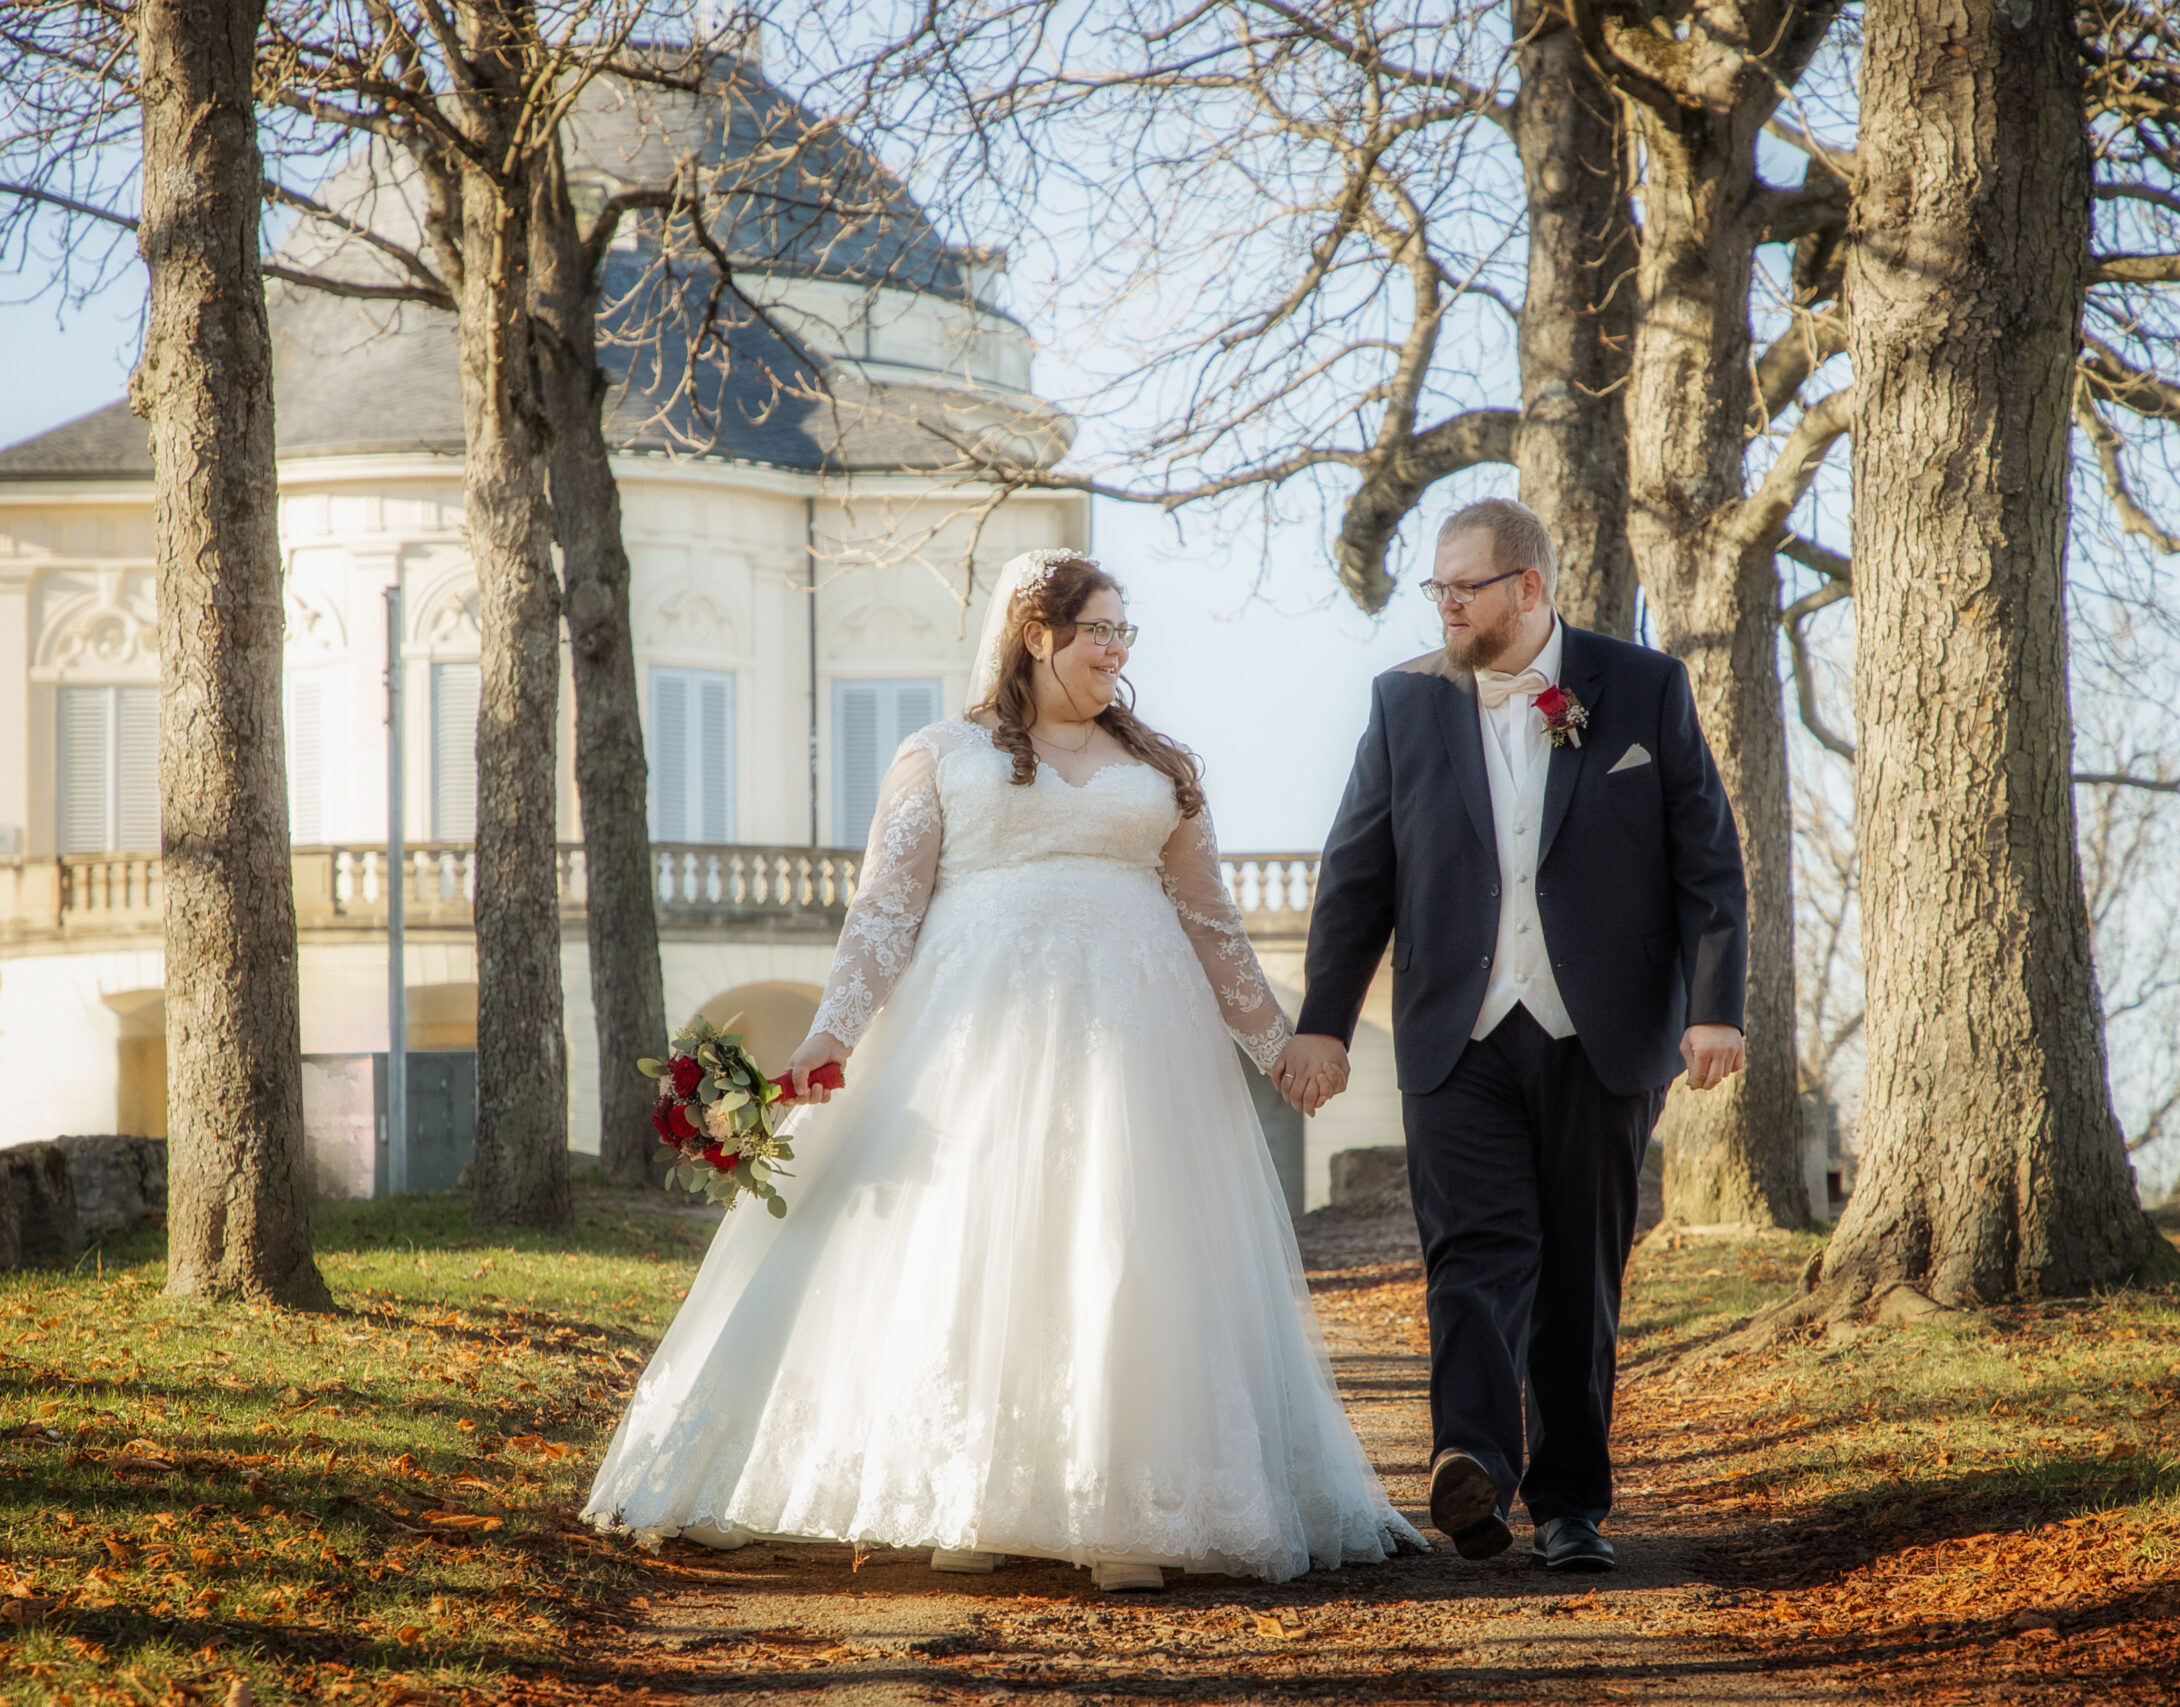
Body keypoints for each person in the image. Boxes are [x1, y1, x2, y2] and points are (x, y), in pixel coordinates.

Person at [584, 549, 1421, 1592]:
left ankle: (1125, 1501)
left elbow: (1212, 924)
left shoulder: (1164, 766)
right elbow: (884, 915)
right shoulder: (939, 755)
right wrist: (830, 1036)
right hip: (974, 1031)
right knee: (971, 1238)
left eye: (1126, 634)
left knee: (1122, 1235)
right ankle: (964, 1491)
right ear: (1037, 636)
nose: (1118, 651)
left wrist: (1279, 1047)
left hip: (1136, 1034)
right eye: (1099, 631)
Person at [1278, 497, 1749, 1574]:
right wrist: (1324, 1024)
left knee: (1580, 1276)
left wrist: (1715, 1006)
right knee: (1472, 1256)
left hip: (1606, 1031)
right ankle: (1473, 1462)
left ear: (1528, 588)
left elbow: (1706, 862)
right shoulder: (1401, 705)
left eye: (1465, 586)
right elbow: (1357, 878)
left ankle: (1573, 1505)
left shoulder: (1642, 687)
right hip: (1458, 1030)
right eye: (1435, 588)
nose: (1445, 604)